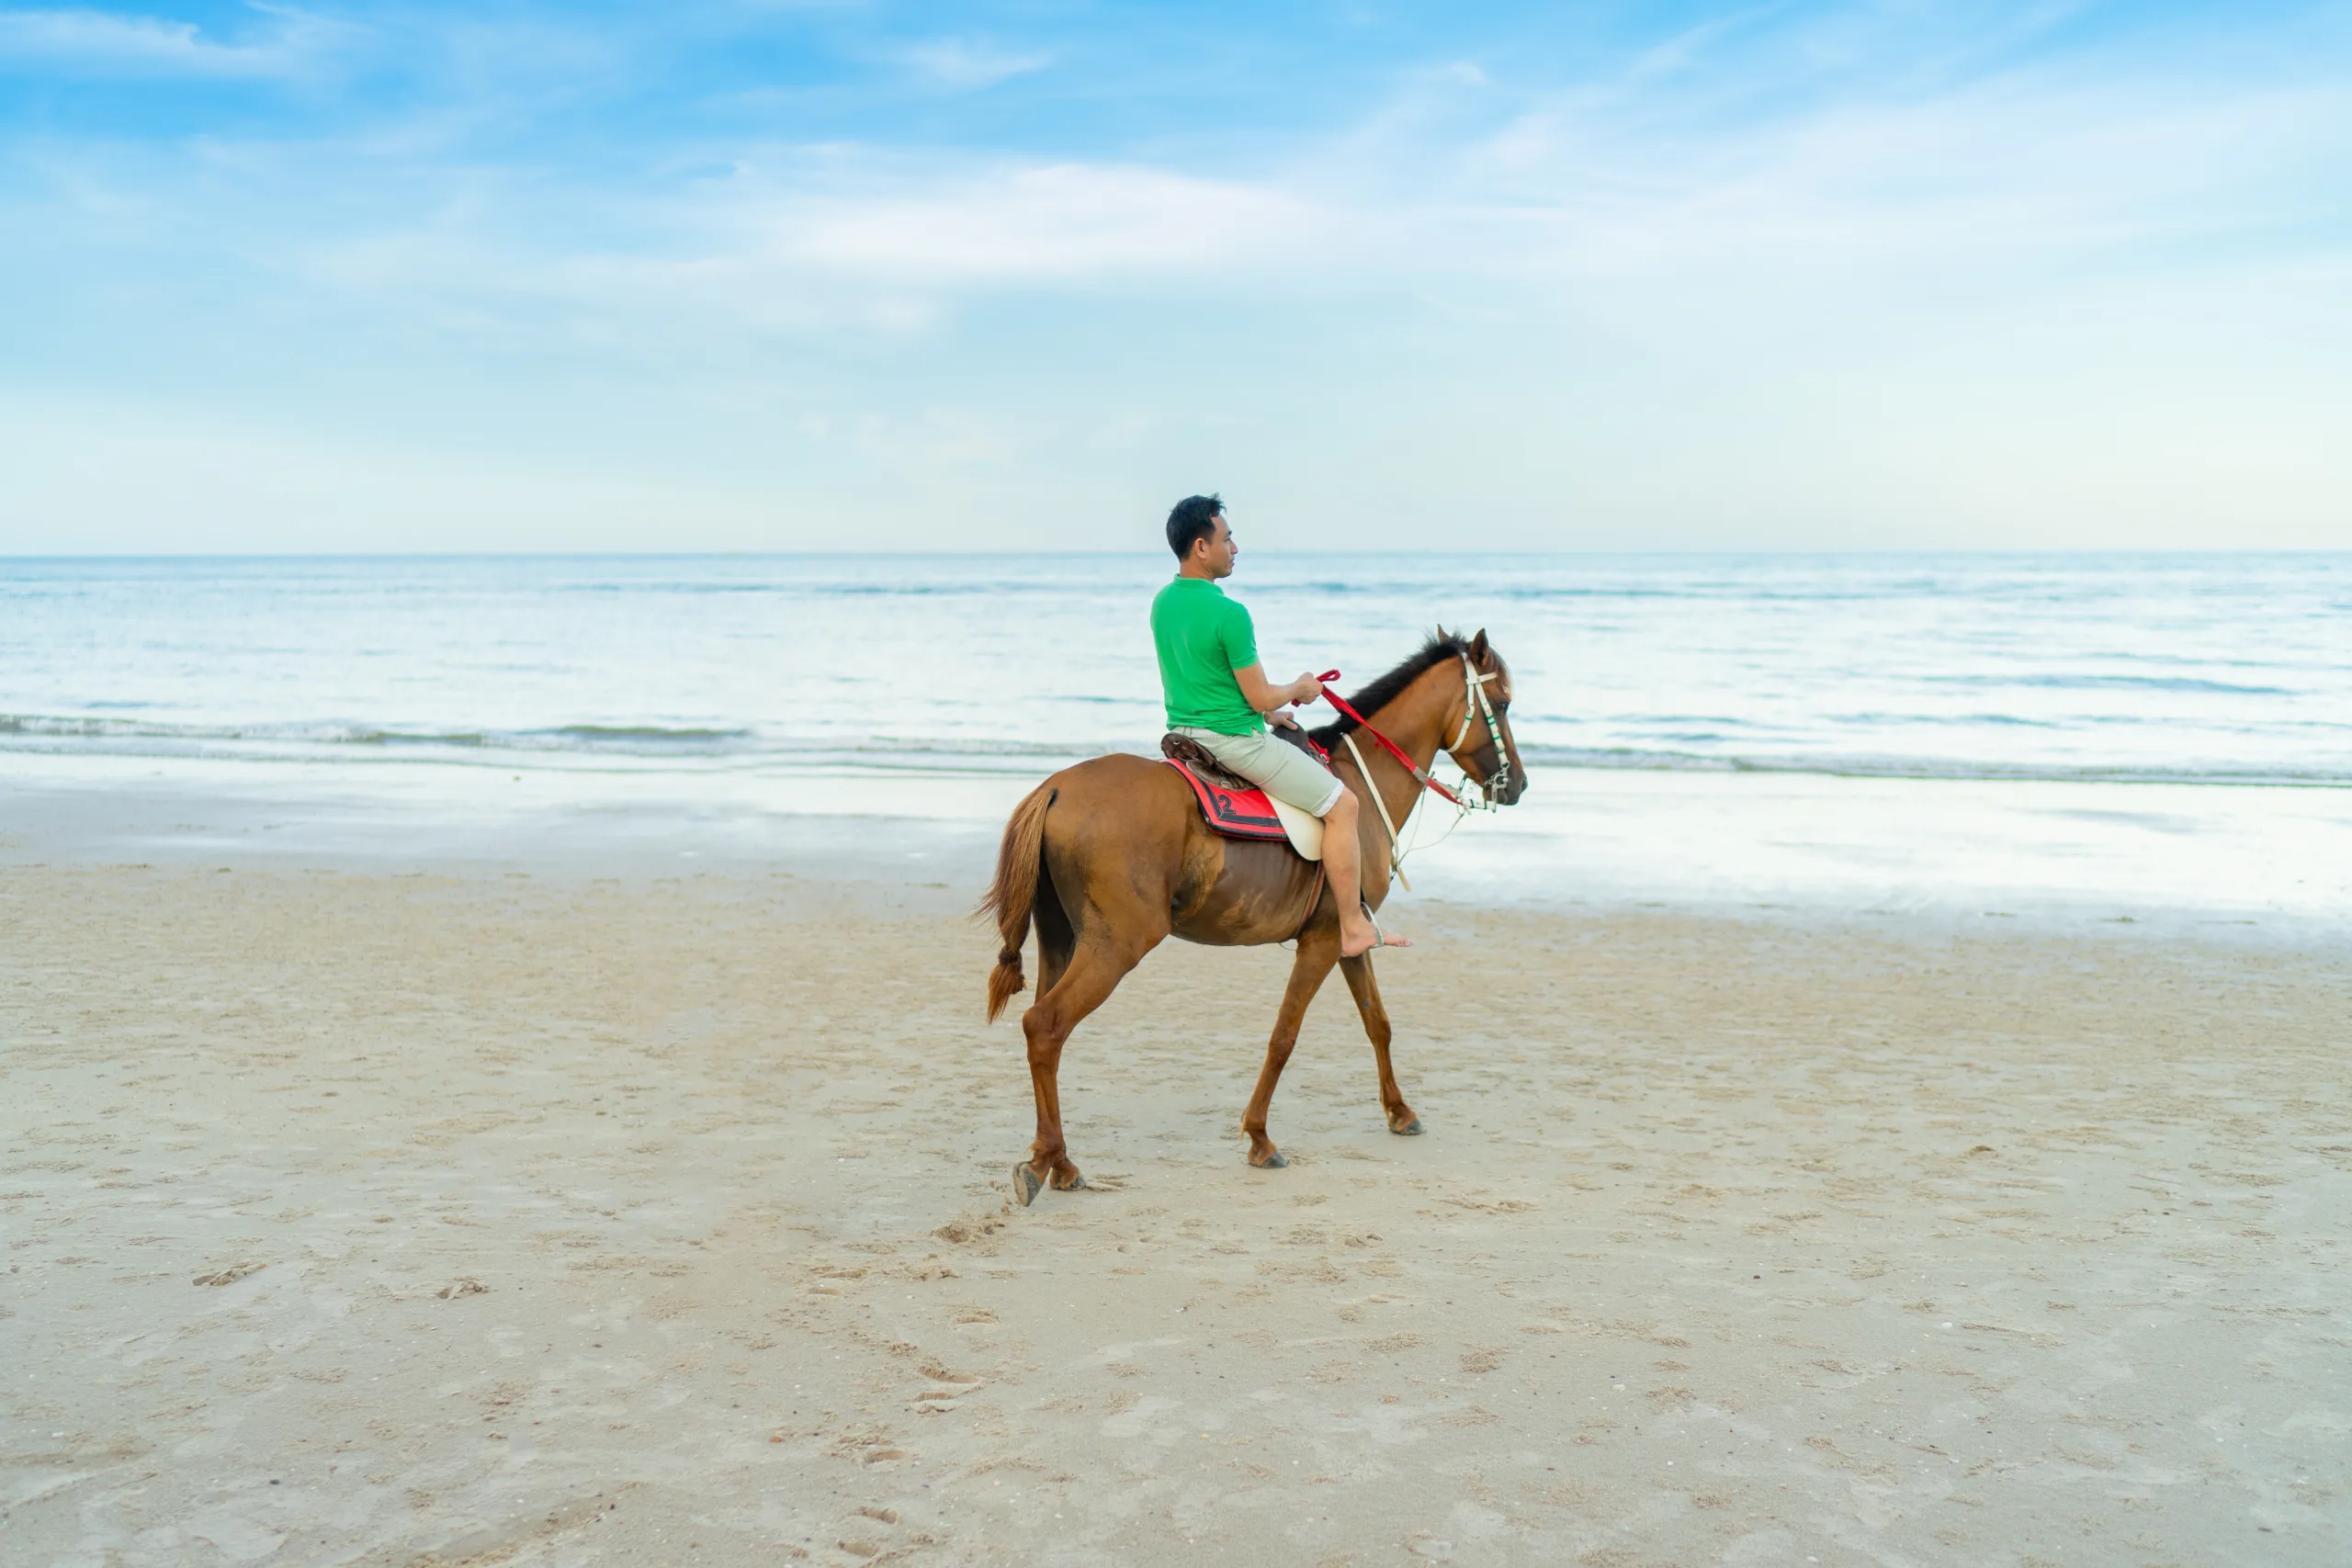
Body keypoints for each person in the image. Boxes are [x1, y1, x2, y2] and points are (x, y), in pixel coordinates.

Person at [1152, 494, 1408, 958]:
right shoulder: (1230, 613)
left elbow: (1203, 680)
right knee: (1343, 805)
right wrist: (1299, 689)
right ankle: (1352, 925)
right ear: (1201, 547)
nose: (1234, 547)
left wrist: (1269, 717)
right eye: (1227, 539)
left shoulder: (1163, 602)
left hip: (1183, 737)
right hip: (1233, 744)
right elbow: (1257, 694)